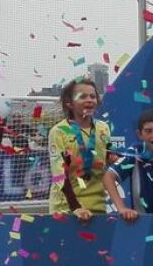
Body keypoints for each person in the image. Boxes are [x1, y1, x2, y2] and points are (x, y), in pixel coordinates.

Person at [48, 77, 112, 221]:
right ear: (69, 103)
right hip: (66, 209)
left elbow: (108, 161)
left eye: (93, 96)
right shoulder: (58, 131)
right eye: (82, 96)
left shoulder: (103, 128)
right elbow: (59, 174)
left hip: (98, 207)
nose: (89, 100)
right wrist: (75, 207)